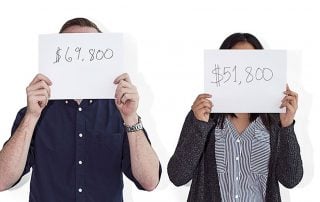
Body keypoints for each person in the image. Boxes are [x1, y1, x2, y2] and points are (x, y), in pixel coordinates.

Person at [0, 18, 161, 201]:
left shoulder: (120, 113)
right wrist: (31, 116)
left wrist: (131, 118)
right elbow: (2, 180)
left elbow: (150, 181)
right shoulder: (34, 112)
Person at [167, 33, 303, 202]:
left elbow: (291, 180)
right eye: (235, 61)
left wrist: (287, 127)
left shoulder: (274, 120)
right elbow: (177, 176)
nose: (243, 70)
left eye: (250, 61)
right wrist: (199, 126)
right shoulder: (203, 116)